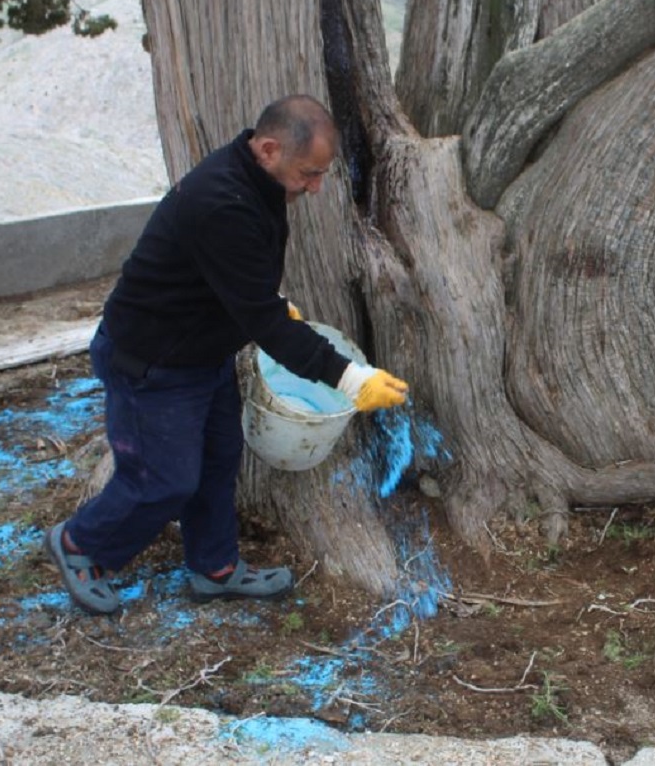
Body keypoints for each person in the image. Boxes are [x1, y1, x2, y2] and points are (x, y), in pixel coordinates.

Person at [44, 95, 408, 615]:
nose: (315, 187)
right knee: (163, 479)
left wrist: (271, 303)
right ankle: (81, 546)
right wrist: (350, 379)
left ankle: (213, 567)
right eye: (309, 173)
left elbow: (236, 280)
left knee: (219, 461)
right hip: (152, 360)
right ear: (268, 148)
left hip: (200, 352)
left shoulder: (254, 181)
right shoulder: (222, 201)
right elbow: (262, 320)